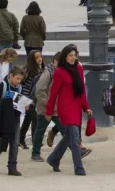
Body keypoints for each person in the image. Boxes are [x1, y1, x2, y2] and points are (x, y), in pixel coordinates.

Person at [44, 44, 92, 175]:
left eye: (74, 55)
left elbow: (82, 90)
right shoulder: (59, 72)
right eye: (70, 55)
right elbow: (53, 93)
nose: (73, 57)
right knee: (75, 137)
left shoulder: (79, 69)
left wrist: (86, 107)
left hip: (76, 106)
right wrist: (48, 111)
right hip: (65, 107)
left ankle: (53, 159)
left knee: (69, 136)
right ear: (65, 57)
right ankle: (79, 168)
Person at [0, 65, 26, 176]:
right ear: (11, 76)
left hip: (15, 118)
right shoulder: (2, 86)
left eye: (20, 79)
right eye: (17, 78)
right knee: (3, 142)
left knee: (15, 143)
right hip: (3, 119)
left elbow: (20, 101)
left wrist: (24, 104)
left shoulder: (19, 87)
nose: (18, 81)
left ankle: (12, 167)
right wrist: (6, 101)